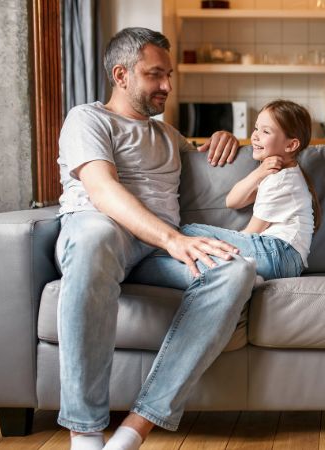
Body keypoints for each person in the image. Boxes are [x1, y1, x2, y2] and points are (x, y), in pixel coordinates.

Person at [55, 27, 256, 450]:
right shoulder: (87, 119)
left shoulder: (168, 136)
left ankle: (135, 427)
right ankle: (85, 432)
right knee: (94, 234)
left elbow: (208, 159)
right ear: (121, 74)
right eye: (154, 75)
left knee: (235, 270)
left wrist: (223, 139)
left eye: (169, 75)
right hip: (101, 233)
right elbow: (103, 191)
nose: (166, 85)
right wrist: (172, 239)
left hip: (153, 251)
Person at [183, 99, 320, 281]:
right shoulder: (274, 174)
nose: (254, 136)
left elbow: (252, 232)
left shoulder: (282, 181)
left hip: (278, 254)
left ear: (290, 145)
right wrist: (258, 173)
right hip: (281, 258)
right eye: (256, 128)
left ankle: (236, 273)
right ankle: (239, 276)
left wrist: (219, 247)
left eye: (266, 131)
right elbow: (232, 201)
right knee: (195, 244)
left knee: (189, 232)